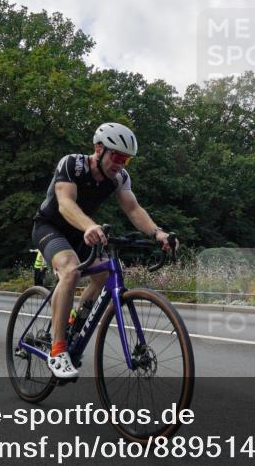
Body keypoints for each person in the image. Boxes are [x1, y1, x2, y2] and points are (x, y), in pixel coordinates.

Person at [32, 122, 177, 380]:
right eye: (117, 156)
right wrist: (89, 225)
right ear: (99, 149)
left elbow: (133, 209)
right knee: (70, 268)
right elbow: (65, 202)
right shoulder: (72, 165)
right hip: (50, 226)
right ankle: (57, 349)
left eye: (127, 160)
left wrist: (158, 233)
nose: (121, 164)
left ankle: (73, 318)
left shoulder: (119, 178)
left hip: (82, 232)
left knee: (103, 274)